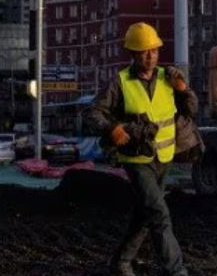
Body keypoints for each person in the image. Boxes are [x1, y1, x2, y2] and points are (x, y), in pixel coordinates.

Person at [85, 22, 198, 276]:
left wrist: (183, 89)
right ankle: (176, 271)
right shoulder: (121, 82)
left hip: (164, 157)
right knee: (158, 213)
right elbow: (92, 113)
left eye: (154, 50)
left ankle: (122, 262)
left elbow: (191, 110)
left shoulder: (168, 78)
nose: (151, 56)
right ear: (133, 54)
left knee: (145, 213)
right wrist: (112, 128)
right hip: (135, 159)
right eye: (144, 51)